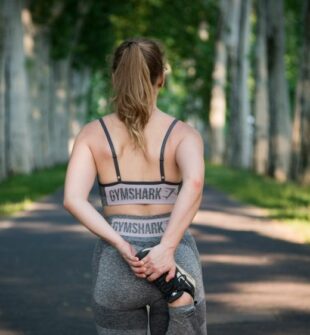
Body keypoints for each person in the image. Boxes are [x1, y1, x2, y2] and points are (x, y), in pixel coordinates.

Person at [63, 37, 208, 335]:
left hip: (119, 265)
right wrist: (166, 248)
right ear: (161, 78)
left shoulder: (92, 135)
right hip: (173, 266)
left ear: (116, 77)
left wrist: (120, 244)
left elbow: (73, 199)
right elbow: (193, 182)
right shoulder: (184, 135)